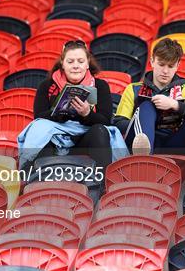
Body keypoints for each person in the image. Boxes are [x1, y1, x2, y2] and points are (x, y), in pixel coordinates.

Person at [18, 40, 128, 172]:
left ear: (87, 64)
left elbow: (106, 120)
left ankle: (102, 183)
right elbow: (38, 117)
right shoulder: (47, 86)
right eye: (70, 62)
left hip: (85, 138)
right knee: (39, 129)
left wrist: (87, 114)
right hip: (55, 136)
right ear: (62, 64)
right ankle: (39, 182)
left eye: (80, 61)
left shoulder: (100, 85)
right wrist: (59, 113)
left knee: (100, 130)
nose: (75, 66)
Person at [114, 37, 185, 158]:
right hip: (138, 141)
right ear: (152, 61)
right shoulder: (133, 89)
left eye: (171, 66)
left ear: (178, 65)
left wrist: (175, 105)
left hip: (173, 144)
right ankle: (144, 154)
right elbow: (119, 124)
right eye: (161, 64)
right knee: (146, 107)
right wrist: (149, 120)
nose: (165, 71)